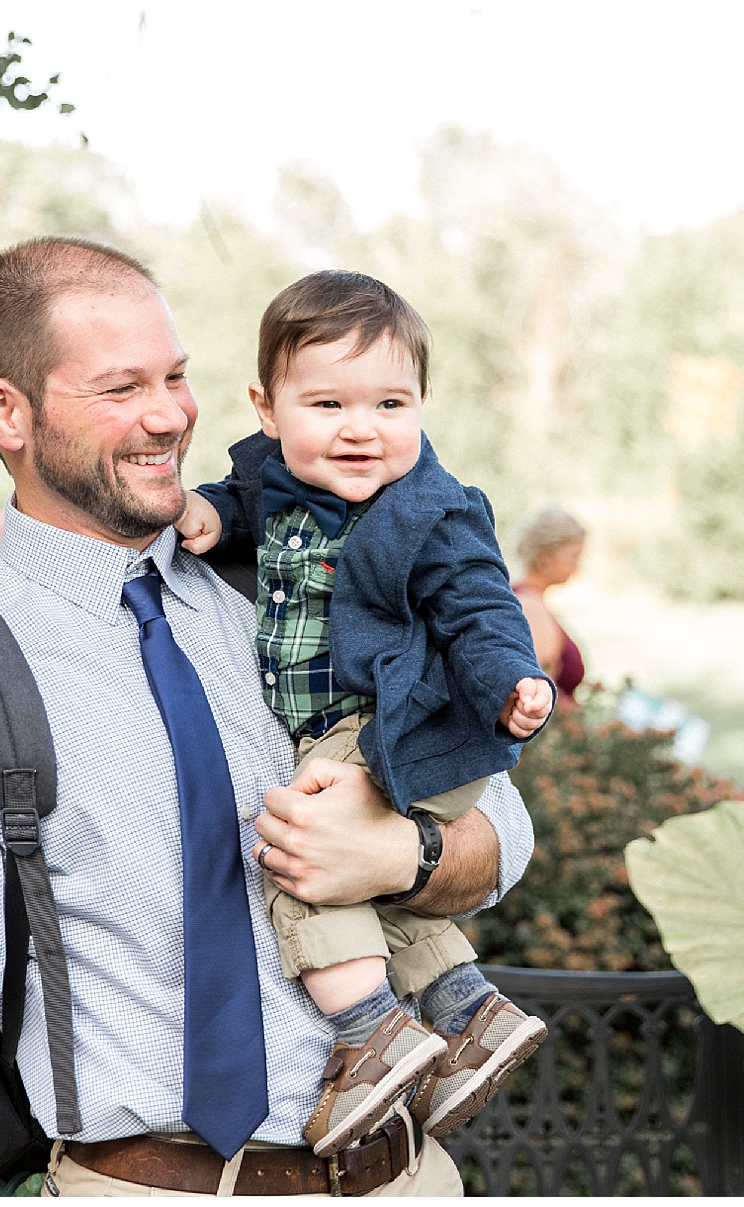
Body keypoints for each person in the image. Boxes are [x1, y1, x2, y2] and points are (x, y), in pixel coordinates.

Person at [0, 236, 535, 1197]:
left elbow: (507, 825)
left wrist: (404, 855)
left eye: (178, 376)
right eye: (121, 388)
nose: (168, 416)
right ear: (7, 410)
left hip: (409, 1180)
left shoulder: (294, 580)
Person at [177, 271, 551, 1156]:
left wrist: (511, 680)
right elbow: (251, 507)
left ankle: (370, 1032)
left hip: (400, 720)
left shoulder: (431, 511)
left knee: (300, 847)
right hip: (348, 726)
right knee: (378, 881)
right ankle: (469, 1015)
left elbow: (480, 604)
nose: (361, 427)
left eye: (390, 401)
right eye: (329, 402)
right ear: (268, 410)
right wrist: (209, 514)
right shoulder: (273, 478)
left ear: (422, 403)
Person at [510, 506, 588, 706]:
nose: (577, 566)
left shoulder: (529, 599)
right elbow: (538, 691)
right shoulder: (530, 607)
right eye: (572, 557)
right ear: (544, 558)